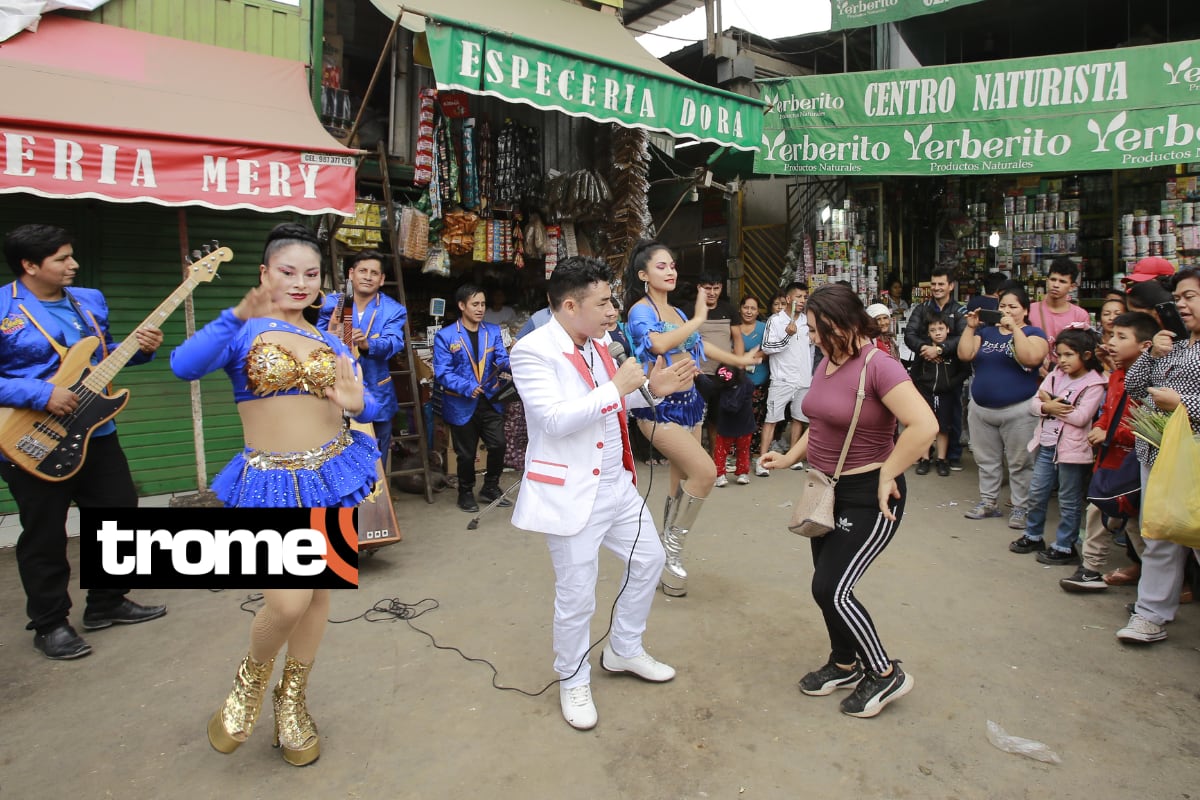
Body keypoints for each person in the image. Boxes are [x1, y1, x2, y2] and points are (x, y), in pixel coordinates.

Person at [171, 222, 380, 766]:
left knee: (317, 595)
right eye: (287, 272)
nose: (300, 282)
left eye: (311, 274)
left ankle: (293, 702)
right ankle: (248, 684)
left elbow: (368, 406)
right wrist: (238, 312)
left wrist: (362, 403)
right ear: (265, 274)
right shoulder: (243, 332)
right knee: (286, 600)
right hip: (268, 481)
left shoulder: (330, 340)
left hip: (330, 474)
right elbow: (183, 365)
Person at [508, 255, 696, 731]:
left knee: (649, 560)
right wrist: (617, 386)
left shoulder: (598, 344)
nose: (612, 311)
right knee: (577, 594)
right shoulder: (532, 351)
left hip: (617, 483)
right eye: (604, 302)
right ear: (570, 306)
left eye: (612, 300)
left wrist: (649, 387)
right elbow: (554, 418)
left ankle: (624, 649)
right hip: (572, 492)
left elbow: (610, 403)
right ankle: (572, 677)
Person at [761, 284, 937, 718]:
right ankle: (844, 663)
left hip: (869, 497)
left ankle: (884, 672)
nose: (812, 338)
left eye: (818, 330)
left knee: (831, 588)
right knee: (828, 583)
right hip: (825, 491)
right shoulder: (828, 361)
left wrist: (889, 472)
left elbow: (923, 426)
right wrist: (788, 457)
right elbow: (822, 425)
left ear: (841, 324)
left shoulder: (880, 367)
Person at [0, 224, 167, 661]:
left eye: (72, 256)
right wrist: (41, 393)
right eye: (61, 259)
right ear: (29, 265)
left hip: (97, 432)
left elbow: (102, 354)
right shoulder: (2, 308)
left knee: (118, 514)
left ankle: (107, 601)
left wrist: (142, 348)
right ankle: (50, 622)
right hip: (31, 436)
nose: (73, 264)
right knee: (45, 533)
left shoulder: (88, 301)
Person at [624, 240, 760, 597]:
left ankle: (659, 556)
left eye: (672, 266)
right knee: (706, 472)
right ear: (643, 275)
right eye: (661, 267)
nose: (670, 271)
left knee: (679, 480)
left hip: (690, 404)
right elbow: (658, 345)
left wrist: (740, 361)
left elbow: (698, 345)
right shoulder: (640, 311)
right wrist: (699, 318)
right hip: (657, 408)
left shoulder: (680, 314)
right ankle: (672, 551)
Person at [1116, 266, 1200, 644]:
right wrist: (1151, 353)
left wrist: (1182, 402)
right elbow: (1134, 387)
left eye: (1190, 297)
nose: (1181, 305)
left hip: (1193, 458)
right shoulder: (1174, 344)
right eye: (1178, 298)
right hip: (1155, 454)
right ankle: (1150, 614)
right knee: (1160, 536)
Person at [1060, 312, 1156, 592]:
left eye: (1121, 337)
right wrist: (1102, 427)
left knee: (1133, 526)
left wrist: (1110, 433)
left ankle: (1153, 583)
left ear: (1145, 346)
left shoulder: (1147, 381)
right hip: (1109, 463)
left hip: (1131, 465)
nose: (1111, 342)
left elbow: (1146, 427)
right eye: (1112, 335)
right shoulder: (1116, 376)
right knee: (1108, 516)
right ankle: (1091, 570)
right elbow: (1109, 412)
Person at [1009, 327, 1108, 565]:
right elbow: (1034, 404)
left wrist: (1051, 404)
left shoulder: (1095, 383)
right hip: (1046, 443)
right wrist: (1047, 406)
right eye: (1059, 355)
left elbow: (1081, 417)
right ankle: (1033, 534)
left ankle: (1065, 545)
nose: (1062, 360)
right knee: (1037, 491)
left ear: (1085, 355)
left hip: (1072, 449)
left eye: (1068, 355)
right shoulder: (1055, 375)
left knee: (1069, 498)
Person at [957, 285, 1050, 528]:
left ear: (1025, 310)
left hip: (1019, 410)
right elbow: (965, 354)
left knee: (1020, 462)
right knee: (986, 460)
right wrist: (970, 326)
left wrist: (1015, 330)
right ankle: (988, 502)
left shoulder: (1034, 332)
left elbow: (1032, 358)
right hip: (982, 409)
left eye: (1013, 307)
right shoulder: (986, 332)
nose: (1006, 311)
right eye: (1003, 306)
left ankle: (1021, 507)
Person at [317, 249, 407, 464]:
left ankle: (374, 497)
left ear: (382, 279)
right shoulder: (332, 303)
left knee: (375, 459)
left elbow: (395, 342)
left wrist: (367, 344)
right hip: (335, 389)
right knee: (333, 456)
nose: (368, 276)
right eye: (362, 271)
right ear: (351, 274)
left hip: (375, 391)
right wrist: (328, 336)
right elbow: (314, 339)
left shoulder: (393, 310)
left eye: (374, 273)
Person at [433, 285, 512, 512]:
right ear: (461, 306)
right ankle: (465, 492)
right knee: (466, 454)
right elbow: (442, 372)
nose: (480, 309)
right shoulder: (446, 336)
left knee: (498, 445)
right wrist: (468, 386)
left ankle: (490, 486)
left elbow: (502, 359)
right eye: (475, 304)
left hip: (490, 400)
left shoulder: (493, 331)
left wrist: (510, 364)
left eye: (483, 304)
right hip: (461, 402)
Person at [904, 267, 967, 469]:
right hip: (924, 370)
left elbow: (964, 337)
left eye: (941, 284)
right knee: (923, 415)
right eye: (933, 284)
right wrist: (925, 348)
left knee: (952, 415)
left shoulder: (959, 311)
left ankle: (950, 456)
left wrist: (940, 349)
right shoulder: (921, 309)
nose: (937, 288)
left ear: (951, 286)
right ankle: (924, 455)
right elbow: (910, 334)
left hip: (951, 371)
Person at [760, 282, 813, 476]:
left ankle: (793, 457)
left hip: (803, 379)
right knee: (771, 419)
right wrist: (786, 336)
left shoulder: (808, 321)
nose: (802, 301)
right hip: (782, 379)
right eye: (798, 297)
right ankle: (762, 459)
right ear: (789, 299)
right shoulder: (775, 320)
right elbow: (766, 347)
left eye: (805, 297)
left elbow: (813, 346)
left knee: (799, 418)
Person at [908, 312, 968, 477]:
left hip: (946, 394)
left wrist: (950, 384)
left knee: (943, 427)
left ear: (948, 329)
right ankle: (925, 459)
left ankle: (942, 459)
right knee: (925, 427)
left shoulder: (953, 349)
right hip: (925, 393)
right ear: (928, 333)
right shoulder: (924, 350)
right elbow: (914, 370)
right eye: (933, 329)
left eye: (941, 328)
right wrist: (920, 385)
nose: (938, 332)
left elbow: (964, 371)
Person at [1029, 257, 1090, 370]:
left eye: (1062, 281)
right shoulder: (1030, 310)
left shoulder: (1080, 316)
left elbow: (1082, 352)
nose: (1056, 285)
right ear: (1047, 280)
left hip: (1066, 377)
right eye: (1053, 279)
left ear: (1072, 287)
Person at [735, 295, 770, 468]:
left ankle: (753, 450)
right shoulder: (734, 328)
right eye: (746, 307)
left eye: (753, 308)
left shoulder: (764, 328)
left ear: (758, 311)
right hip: (738, 379)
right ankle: (737, 450)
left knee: (756, 417)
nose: (749, 311)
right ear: (740, 308)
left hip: (759, 379)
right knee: (737, 414)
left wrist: (753, 357)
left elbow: (769, 350)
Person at [710, 365, 755, 486]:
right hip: (745, 424)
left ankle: (720, 475)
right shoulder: (746, 383)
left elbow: (710, 389)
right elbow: (751, 387)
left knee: (721, 451)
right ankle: (743, 473)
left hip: (726, 425)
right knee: (743, 450)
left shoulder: (720, 387)